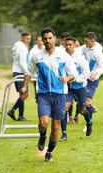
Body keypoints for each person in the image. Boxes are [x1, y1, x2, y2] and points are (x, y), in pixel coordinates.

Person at [21, 27, 77, 162]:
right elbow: (29, 72)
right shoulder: (37, 56)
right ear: (42, 40)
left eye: (50, 38)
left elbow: (74, 74)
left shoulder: (64, 55)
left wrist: (67, 78)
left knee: (56, 126)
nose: (47, 40)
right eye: (45, 38)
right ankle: (42, 135)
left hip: (59, 95)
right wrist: (24, 87)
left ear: (55, 39)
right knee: (44, 122)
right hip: (43, 94)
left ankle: (50, 151)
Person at [60, 36, 92, 141]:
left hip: (80, 87)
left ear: (74, 45)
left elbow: (86, 72)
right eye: (66, 45)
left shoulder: (79, 58)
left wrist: (75, 79)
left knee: (82, 109)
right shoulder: (61, 57)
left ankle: (89, 122)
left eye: (70, 45)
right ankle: (64, 133)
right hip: (67, 88)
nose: (68, 47)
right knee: (64, 108)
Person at [78, 32, 103, 121]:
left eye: (86, 41)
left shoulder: (98, 53)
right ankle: (91, 108)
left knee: (87, 101)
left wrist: (95, 73)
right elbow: (76, 52)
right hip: (84, 78)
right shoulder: (85, 47)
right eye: (84, 41)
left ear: (93, 41)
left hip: (92, 80)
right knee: (81, 105)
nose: (85, 43)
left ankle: (89, 123)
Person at [7, 32, 31, 121]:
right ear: (22, 38)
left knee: (22, 94)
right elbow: (22, 62)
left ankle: (21, 116)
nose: (28, 40)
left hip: (17, 71)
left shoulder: (17, 46)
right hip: (20, 73)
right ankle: (12, 110)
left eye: (29, 39)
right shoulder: (22, 48)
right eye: (26, 38)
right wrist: (27, 72)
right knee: (26, 94)